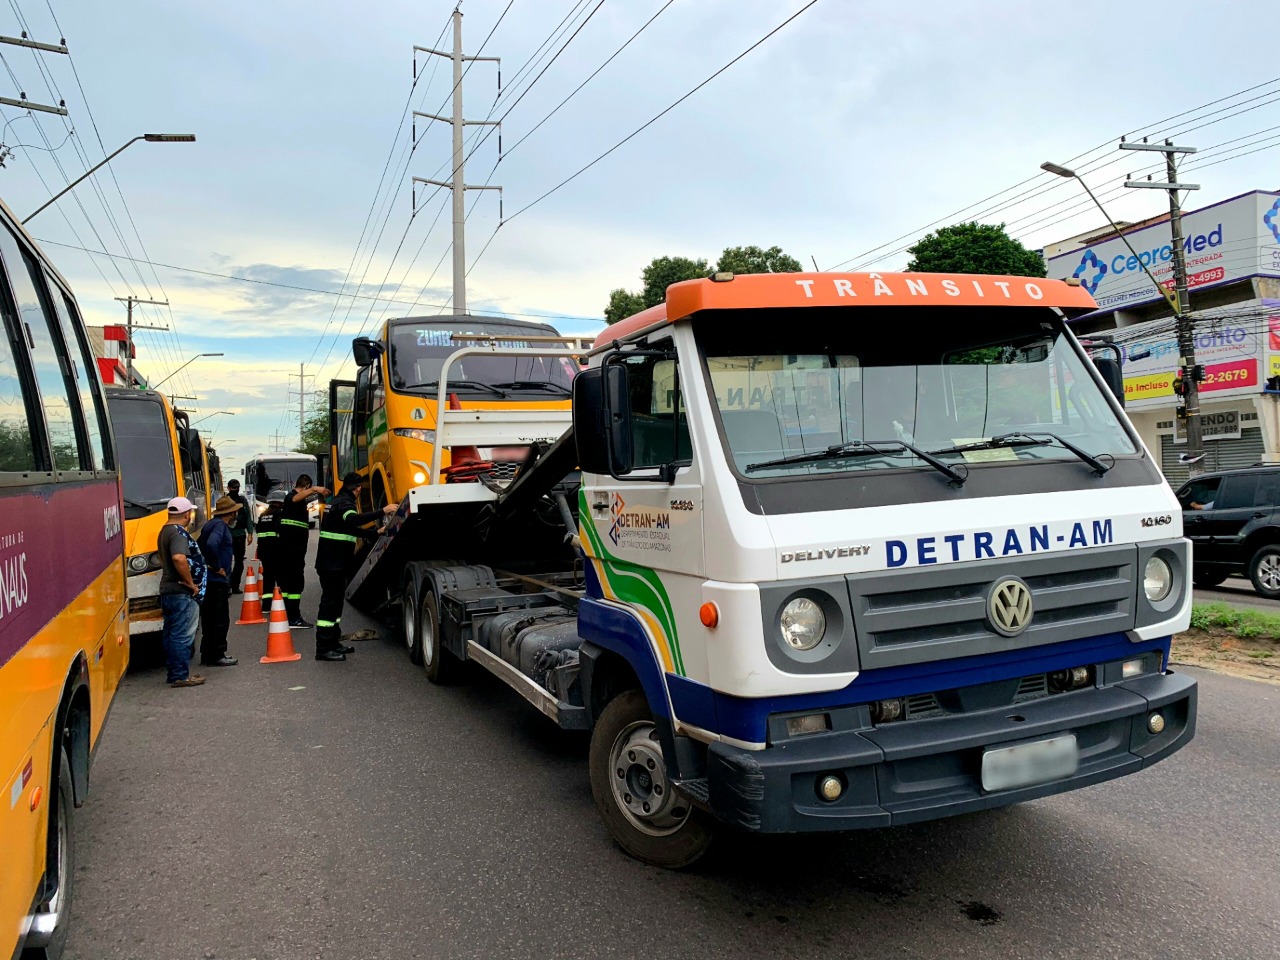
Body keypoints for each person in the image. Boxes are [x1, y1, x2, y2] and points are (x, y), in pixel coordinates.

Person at [313, 472, 396, 661]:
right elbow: (354, 520)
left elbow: (348, 529)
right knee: (329, 606)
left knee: (335, 606)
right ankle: (323, 648)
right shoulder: (345, 503)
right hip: (332, 564)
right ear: (357, 489)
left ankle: (333, 643)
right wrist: (383, 511)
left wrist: (376, 532)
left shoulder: (336, 501)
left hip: (333, 563)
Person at [158, 496, 208, 688]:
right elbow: (179, 558)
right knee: (183, 635)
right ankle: (180, 675)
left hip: (169, 590)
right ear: (187, 514)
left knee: (171, 633)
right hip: (181, 592)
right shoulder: (178, 534)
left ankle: (175, 672)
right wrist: (191, 584)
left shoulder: (165, 531)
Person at [279, 473, 329, 628]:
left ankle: (288, 615)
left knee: (290, 583)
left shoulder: (296, 501)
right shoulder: (291, 498)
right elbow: (295, 499)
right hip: (292, 549)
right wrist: (315, 489)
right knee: (295, 583)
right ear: (306, 486)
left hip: (294, 549)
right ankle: (293, 618)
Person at [197, 496, 241, 668]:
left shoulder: (209, 524)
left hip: (209, 580)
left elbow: (201, 545)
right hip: (217, 580)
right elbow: (211, 545)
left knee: (208, 619)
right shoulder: (220, 526)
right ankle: (217, 654)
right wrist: (216, 566)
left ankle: (207, 653)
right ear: (231, 513)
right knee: (220, 619)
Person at [224, 478, 254, 593]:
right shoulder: (224, 501)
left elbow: (247, 516)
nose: (235, 489)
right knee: (226, 561)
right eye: (233, 488)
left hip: (240, 534)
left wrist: (250, 533)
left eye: (237, 488)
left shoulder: (242, 500)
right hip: (227, 535)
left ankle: (235, 585)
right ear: (229, 488)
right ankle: (226, 586)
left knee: (239, 562)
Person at [255, 497, 283, 600]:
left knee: (267, 575)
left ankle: (266, 603)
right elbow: (279, 528)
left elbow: (258, 529)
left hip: (263, 549)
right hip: (275, 549)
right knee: (280, 574)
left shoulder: (264, 514)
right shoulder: (278, 514)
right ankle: (280, 600)